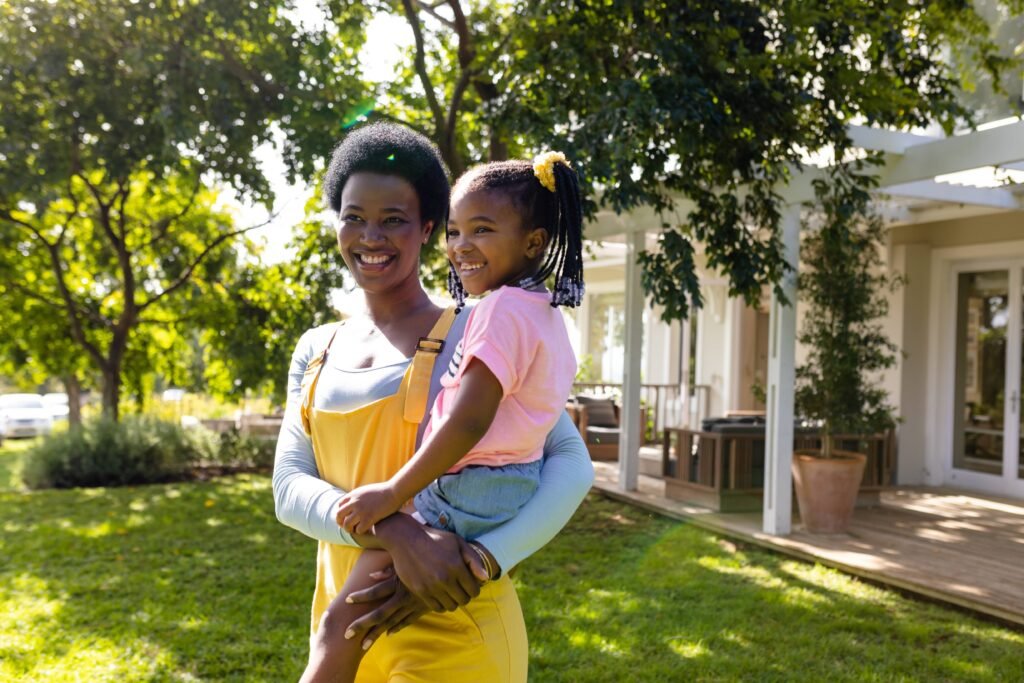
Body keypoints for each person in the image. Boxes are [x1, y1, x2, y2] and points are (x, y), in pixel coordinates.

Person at [272, 122, 594, 683]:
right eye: (353, 216)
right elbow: (288, 488)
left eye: (394, 219)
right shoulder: (315, 349)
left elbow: (569, 462)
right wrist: (400, 534)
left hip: (455, 620)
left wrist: (485, 560)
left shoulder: (479, 327)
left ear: (426, 228)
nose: (371, 236)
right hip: (352, 623)